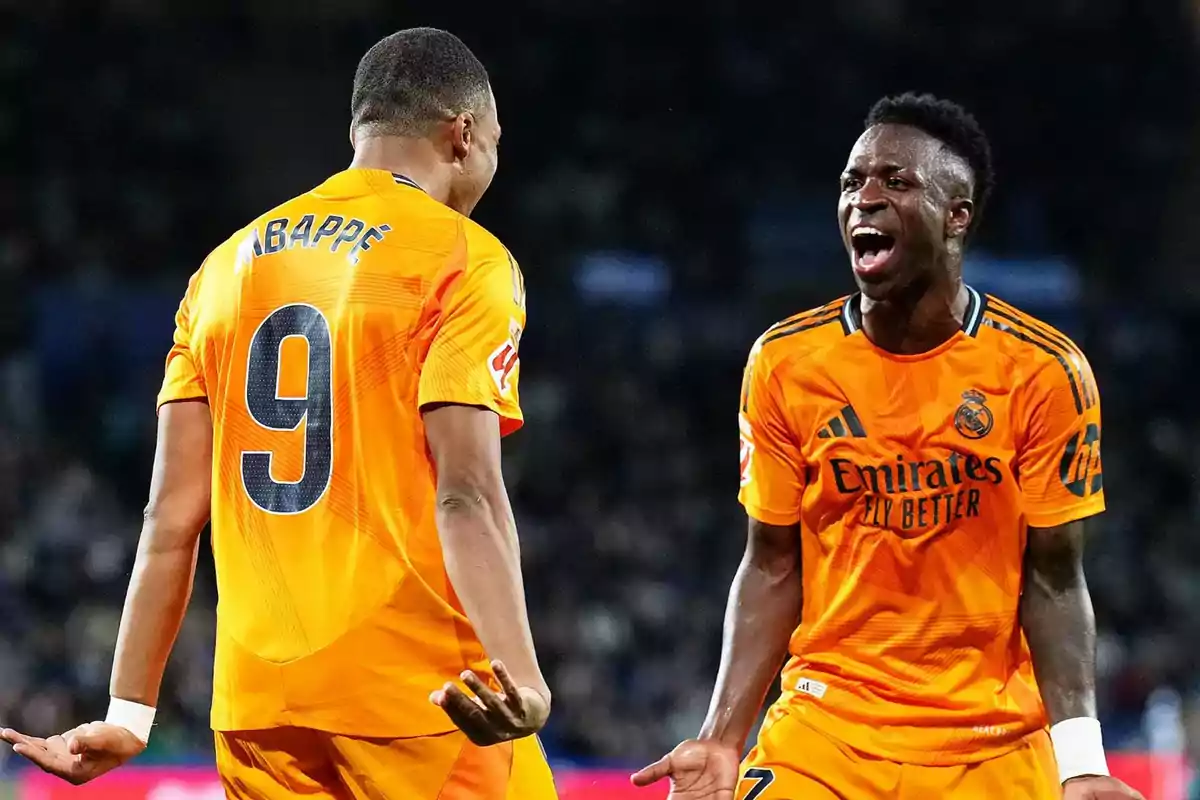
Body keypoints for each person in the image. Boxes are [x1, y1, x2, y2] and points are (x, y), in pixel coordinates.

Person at [1, 27, 557, 800]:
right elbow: (465, 492)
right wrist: (522, 677)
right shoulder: (465, 257)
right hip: (420, 700)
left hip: (259, 711)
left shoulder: (222, 267)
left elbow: (169, 515)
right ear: (463, 133)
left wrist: (130, 712)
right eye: (495, 141)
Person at [632, 93, 1143, 800]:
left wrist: (1083, 763)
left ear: (956, 215)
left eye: (895, 182)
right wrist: (722, 736)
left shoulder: (1042, 372)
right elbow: (772, 563)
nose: (863, 199)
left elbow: (1055, 579)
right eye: (851, 182)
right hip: (828, 732)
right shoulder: (786, 363)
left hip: (989, 742)